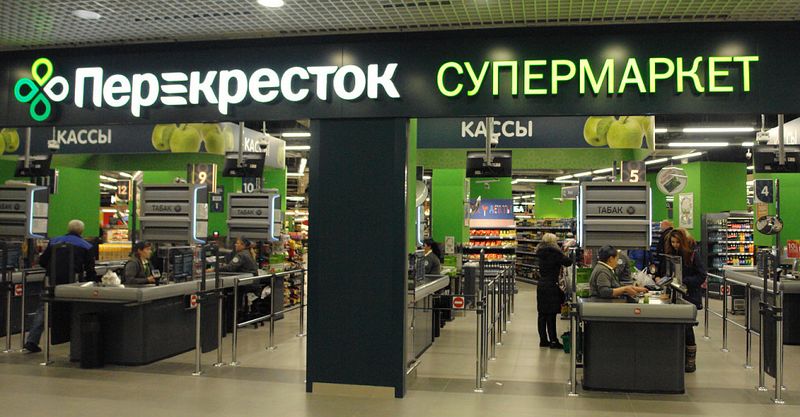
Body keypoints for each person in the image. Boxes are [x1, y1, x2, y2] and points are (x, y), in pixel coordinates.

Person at [24, 219, 97, 353]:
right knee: (74, 310)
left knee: (43, 309)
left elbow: (43, 261)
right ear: (81, 231)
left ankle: (32, 340)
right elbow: (90, 269)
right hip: (73, 283)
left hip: (51, 281)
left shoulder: (54, 241)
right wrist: (93, 282)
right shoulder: (86, 246)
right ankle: (74, 343)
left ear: (68, 229)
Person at [664, 228, 706, 373]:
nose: (675, 245)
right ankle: (681, 358)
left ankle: (690, 362)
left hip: (690, 296)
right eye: (673, 242)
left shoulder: (693, 254)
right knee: (681, 327)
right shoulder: (672, 254)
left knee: (688, 328)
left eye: (677, 242)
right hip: (678, 295)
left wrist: (684, 281)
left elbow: (702, 275)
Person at [536, 233, 572, 349]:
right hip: (551, 285)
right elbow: (568, 262)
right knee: (551, 314)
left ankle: (543, 340)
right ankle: (553, 340)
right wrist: (566, 251)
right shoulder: (554, 253)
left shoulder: (540, 252)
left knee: (542, 314)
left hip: (541, 284)